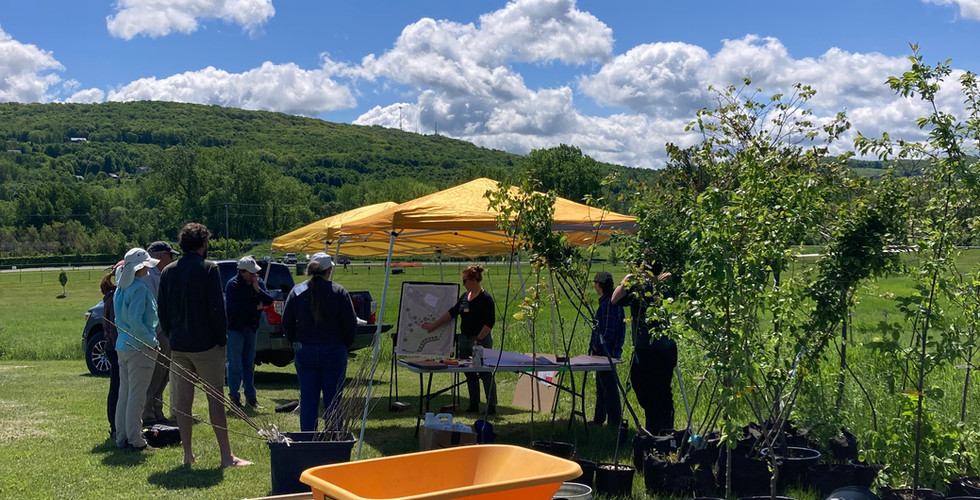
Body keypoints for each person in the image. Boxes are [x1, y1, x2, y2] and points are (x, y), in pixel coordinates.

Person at [158, 223, 252, 467]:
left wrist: (171, 335)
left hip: (179, 345)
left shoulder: (168, 271)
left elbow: (163, 310)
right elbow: (216, 309)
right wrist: (222, 340)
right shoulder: (209, 269)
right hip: (207, 345)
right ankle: (226, 456)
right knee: (215, 400)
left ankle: (188, 454)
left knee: (183, 402)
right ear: (203, 244)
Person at [281, 253, 357, 431]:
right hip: (334, 349)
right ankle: (333, 439)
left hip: (305, 348)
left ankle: (308, 440)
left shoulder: (297, 291)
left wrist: (294, 340)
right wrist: (346, 344)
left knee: (308, 400)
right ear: (329, 270)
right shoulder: (338, 291)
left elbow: (287, 322)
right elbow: (350, 323)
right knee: (333, 400)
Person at [611, 260, 677, 434]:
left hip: (654, 350)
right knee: (656, 390)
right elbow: (615, 300)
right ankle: (663, 429)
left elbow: (615, 299)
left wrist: (626, 280)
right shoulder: (662, 287)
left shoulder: (642, 290)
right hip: (660, 349)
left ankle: (659, 430)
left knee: (654, 391)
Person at [421, 265, 497, 415]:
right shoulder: (464, 296)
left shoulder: (486, 299)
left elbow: (490, 322)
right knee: (469, 373)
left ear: (474, 280)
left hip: (480, 341)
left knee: (484, 373)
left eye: (465, 281)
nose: (464, 284)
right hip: (464, 340)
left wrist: (478, 339)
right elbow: (452, 313)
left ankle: (491, 406)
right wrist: (434, 325)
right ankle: (473, 404)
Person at [113, 248, 161, 451]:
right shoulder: (139, 288)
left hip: (123, 346)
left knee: (125, 394)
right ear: (139, 268)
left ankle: (122, 436)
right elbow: (136, 322)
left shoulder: (121, 287)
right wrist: (151, 341)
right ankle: (136, 439)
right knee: (137, 395)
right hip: (139, 347)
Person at [224, 255, 274, 409]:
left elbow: (268, 301)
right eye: (251, 273)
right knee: (234, 364)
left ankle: (251, 398)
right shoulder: (232, 285)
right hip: (235, 329)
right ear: (242, 271)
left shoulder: (257, 282)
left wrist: (257, 289)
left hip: (251, 328)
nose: (254, 275)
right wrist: (255, 306)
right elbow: (235, 309)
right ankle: (234, 397)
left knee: (249, 364)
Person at [142, 240, 180, 425]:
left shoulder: (160, 275)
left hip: (166, 332)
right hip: (157, 333)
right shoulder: (149, 276)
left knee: (163, 375)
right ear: (160, 257)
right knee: (155, 375)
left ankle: (157, 411)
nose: (172, 259)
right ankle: (148, 415)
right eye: (169, 255)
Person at [589, 271, 625, 427]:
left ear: (599, 285)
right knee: (602, 386)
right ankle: (599, 418)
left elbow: (608, 332)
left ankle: (614, 422)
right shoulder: (610, 302)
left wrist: (599, 345)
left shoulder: (609, 304)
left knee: (609, 388)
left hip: (606, 352)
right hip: (608, 351)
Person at [101, 260, 124, 441]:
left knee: (116, 385)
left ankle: (115, 424)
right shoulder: (114, 296)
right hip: (115, 346)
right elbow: (113, 325)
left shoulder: (111, 294)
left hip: (112, 345)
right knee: (117, 386)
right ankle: (115, 425)